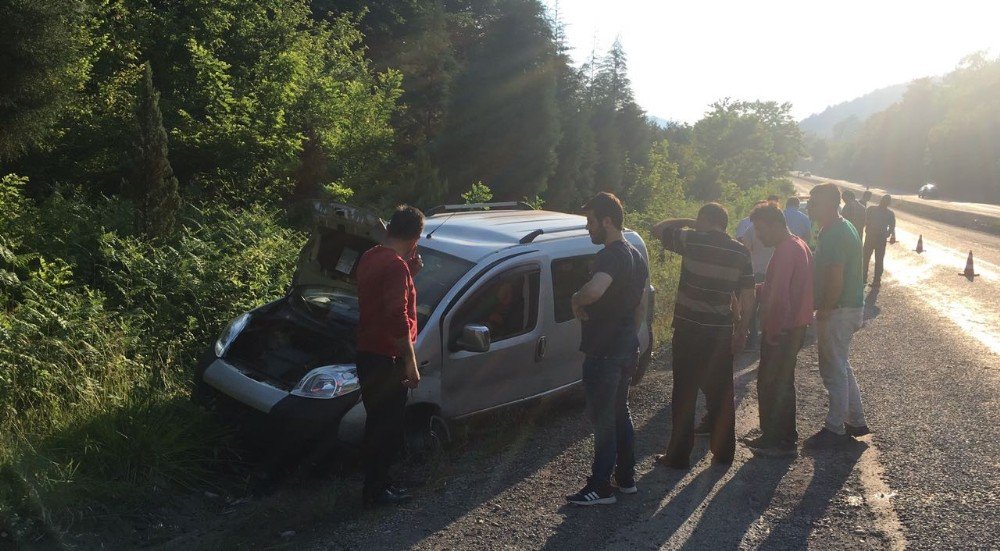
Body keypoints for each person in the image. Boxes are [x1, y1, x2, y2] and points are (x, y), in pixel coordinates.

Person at [651, 203, 755, 468]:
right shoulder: (741, 251)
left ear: (703, 220)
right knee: (721, 392)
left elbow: (658, 229)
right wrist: (742, 330)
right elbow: (747, 294)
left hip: (689, 329)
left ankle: (678, 456)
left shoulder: (692, 240)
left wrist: (688, 219)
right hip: (720, 332)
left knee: (684, 392)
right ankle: (723, 453)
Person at [566, 192, 649, 506]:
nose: (588, 228)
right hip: (627, 346)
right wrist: (630, 336)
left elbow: (595, 290)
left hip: (604, 353)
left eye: (590, 222)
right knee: (619, 413)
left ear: (607, 221)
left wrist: (575, 299)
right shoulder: (635, 255)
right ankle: (625, 479)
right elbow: (640, 306)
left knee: (604, 421)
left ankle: (600, 487)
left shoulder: (610, 255)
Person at [355, 205, 425, 508]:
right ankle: (376, 491)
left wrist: (409, 270)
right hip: (388, 359)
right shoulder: (395, 266)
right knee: (387, 427)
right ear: (416, 236)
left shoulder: (371, 256)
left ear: (390, 228)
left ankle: (377, 483)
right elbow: (397, 317)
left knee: (377, 423)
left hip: (367, 353)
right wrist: (410, 364)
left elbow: (380, 293)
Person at [741, 204, 814, 456]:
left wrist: (772, 330)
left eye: (761, 229)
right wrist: (759, 288)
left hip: (783, 327)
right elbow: (783, 287)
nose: (758, 236)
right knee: (783, 382)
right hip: (796, 326)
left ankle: (775, 439)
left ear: (775, 224)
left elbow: (780, 298)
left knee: (770, 383)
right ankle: (784, 436)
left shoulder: (785, 251)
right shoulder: (799, 245)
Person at [806, 184, 870, 447]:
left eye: (814, 201)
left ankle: (834, 428)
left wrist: (826, 308)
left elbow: (835, 275)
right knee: (841, 364)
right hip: (849, 307)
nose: (810, 206)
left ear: (828, 204)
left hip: (839, 309)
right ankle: (855, 420)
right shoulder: (844, 226)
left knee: (832, 369)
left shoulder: (833, 233)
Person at [738, 201, 775, 349]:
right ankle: (767, 337)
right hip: (771, 271)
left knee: (751, 307)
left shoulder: (750, 229)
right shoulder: (775, 228)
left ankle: (752, 338)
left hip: (755, 270)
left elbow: (746, 250)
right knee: (769, 306)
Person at [864, 195, 897, 288]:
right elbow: (892, 227)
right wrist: (890, 234)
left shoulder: (872, 209)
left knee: (868, 259)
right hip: (878, 239)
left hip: (872, 238)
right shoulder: (889, 213)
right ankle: (875, 281)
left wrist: (891, 235)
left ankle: (866, 279)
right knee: (877, 260)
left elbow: (865, 221)